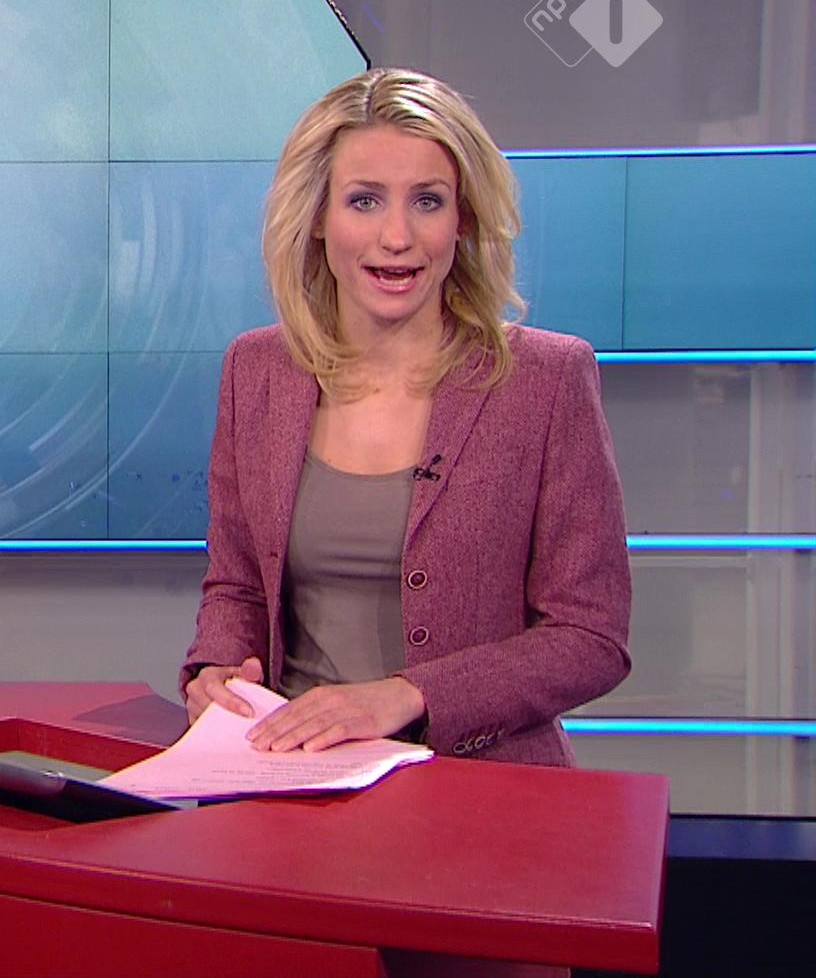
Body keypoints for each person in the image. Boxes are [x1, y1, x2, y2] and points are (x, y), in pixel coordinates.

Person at [181, 68, 630, 767]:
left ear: (463, 220)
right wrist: (216, 669)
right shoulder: (257, 370)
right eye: (364, 201)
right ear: (317, 218)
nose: (397, 236)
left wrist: (410, 696)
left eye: (427, 201)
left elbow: (591, 636)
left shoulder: (545, 380)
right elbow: (237, 584)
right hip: (288, 774)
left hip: (476, 790)